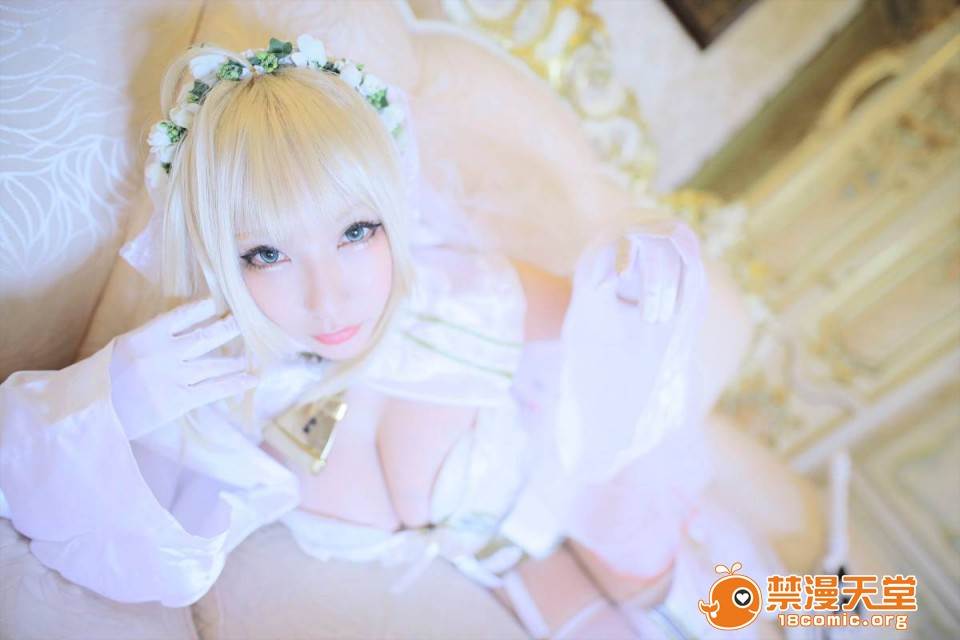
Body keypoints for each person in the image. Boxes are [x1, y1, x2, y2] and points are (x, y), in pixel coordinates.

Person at [0, 34, 713, 638]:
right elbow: (45, 495)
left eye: (355, 231)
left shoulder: (460, 294)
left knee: (720, 605)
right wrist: (111, 399)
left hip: (592, 512)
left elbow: (626, 328)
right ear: (216, 256)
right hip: (507, 572)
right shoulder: (209, 383)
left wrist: (645, 280)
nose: (328, 295)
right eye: (267, 253)